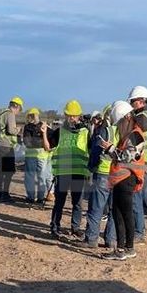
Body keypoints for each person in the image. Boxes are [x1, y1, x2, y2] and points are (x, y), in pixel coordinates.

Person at [103, 101, 147, 260]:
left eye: (120, 123)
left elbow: (128, 158)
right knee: (118, 213)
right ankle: (123, 249)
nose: (119, 127)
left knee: (125, 214)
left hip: (127, 178)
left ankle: (126, 248)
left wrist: (110, 149)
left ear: (127, 117)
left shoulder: (135, 134)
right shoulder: (129, 135)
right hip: (122, 179)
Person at [45, 100, 89, 239]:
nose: (71, 118)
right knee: (59, 201)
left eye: (74, 116)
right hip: (63, 172)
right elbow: (48, 147)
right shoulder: (60, 131)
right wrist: (44, 134)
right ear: (65, 115)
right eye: (69, 115)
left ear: (79, 116)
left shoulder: (85, 132)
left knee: (77, 202)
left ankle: (75, 228)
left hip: (78, 172)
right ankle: (55, 226)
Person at [82, 103, 122, 249]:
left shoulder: (107, 131)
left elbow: (96, 152)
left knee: (96, 207)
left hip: (104, 173)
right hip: (119, 175)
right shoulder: (125, 132)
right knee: (114, 209)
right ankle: (111, 240)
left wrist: (90, 168)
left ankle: (91, 239)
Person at [128, 85, 147, 243]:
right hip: (140, 159)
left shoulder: (144, 116)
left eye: (133, 102)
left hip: (140, 159)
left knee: (135, 196)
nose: (132, 104)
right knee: (133, 196)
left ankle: (139, 231)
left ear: (142, 101)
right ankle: (138, 229)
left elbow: (138, 129)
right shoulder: (142, 115)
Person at [0, 97, 24, 201]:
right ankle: (4, 194)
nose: (18, 112)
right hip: (6, 145)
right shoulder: (10, 114)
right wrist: (18, 129)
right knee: (9, 171)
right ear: (17, 106)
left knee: (1, 170)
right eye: (19, 109)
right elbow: (11, 130)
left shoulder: (2, 112)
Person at [21, 107, 51, 206]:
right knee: (42, 177)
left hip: (31, 155)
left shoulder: (27, 127)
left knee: (30, 177)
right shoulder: (44, 126)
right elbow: (48, 140)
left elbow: (26, 142)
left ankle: (31, 197)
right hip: (42, 155)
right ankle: (40, 198)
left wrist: (34, 142)